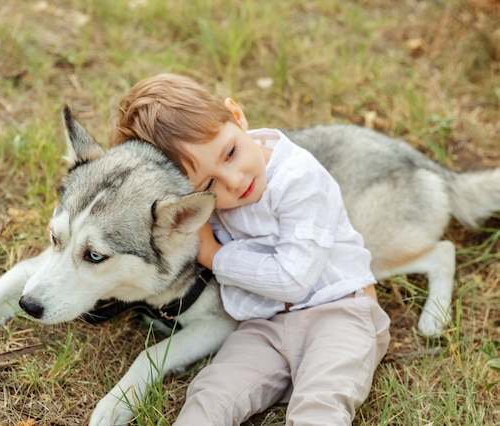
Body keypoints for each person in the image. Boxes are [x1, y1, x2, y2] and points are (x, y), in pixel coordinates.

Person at [110, 73, 391, 425]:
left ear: (238, 117)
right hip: (264, 322)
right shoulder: (205, 207)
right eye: (208, 184)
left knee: (320, 404)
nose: (235, 180)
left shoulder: (300, 180)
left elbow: (293, 280)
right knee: (212, 394)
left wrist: (214, 256)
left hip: (339, 313)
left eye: (230, 152)